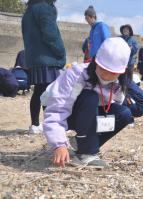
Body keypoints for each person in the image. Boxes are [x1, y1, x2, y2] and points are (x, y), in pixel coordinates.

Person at [42, 38, 134, 168]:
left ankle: (81, 144)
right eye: (103, 69)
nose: (106, 76)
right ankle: (87, 153)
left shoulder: (120, 82)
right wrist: (58, 144)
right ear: (96, 61)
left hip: (89, 111)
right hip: (63, 110)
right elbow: (57, 109)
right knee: (91, 97)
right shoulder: (77, 74)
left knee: (123, 113)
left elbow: (116, 104)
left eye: (112, 73)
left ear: (122, 71)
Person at [22, 0, 66, 134]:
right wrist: (61, 52)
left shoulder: (29, 10)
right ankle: (50, 124)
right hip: (47, 57)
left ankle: (35, 125)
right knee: (50, 93)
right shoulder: (45, 8)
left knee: (39, 92)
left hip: (34, 58)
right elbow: (51, 35)